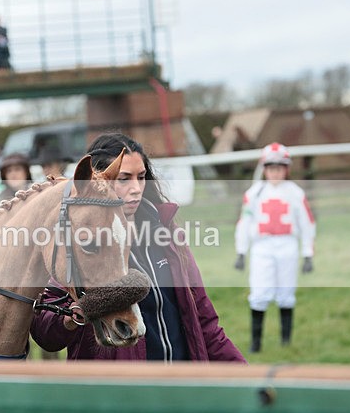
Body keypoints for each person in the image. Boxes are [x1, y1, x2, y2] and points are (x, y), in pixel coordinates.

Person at [31, 132, 246, 362]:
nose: (136, 188)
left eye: (141, 177)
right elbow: (45, 333)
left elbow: (205, 321)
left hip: (181, 387)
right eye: (124, 179)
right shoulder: (80, 242)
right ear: (99, 182)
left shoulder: (169, 234)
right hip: (120, 393)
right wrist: (75, 315)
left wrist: (244, 376)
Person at [234, 142, 316, 353]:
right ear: (264, 169)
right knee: (259, 293)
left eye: (279, 167)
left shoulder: (296, 193)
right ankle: (256, 343)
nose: (275, 172)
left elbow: (307, 223)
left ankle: (286, 342)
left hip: (288, 245)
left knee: (286, 292)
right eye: (271, 167)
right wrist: (241, 251)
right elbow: (244, 222)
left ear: (286, 169)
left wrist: (308, 253)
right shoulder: (254, 193)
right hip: (262, 247)